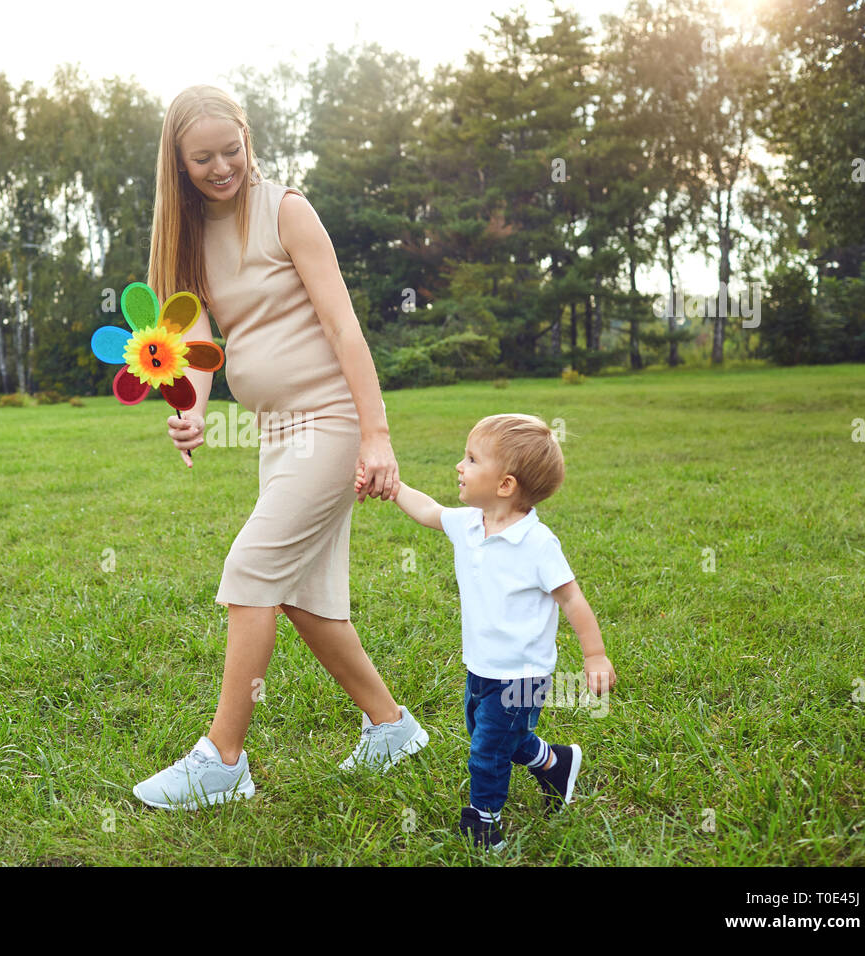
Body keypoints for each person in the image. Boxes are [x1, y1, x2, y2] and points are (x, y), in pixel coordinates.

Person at [131, 85, 429, 810]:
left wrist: (378, 433)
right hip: (276, 435)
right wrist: (192, 412)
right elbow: (198, 344)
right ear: (178, 162)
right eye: (202, 158)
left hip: (330, 423)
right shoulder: (190, 236)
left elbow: (342, 326)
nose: (222, 167)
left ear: (246, 135)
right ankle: (392, 729)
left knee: (252, 567)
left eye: (231, 150)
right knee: (302, 596)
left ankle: (222, 760)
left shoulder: (287, 210)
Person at [357, 413, 618, 850]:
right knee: (500, 737)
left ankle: (485, 826)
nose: (460, 466)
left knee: (487, 753)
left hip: (523, 674)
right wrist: (395, 487)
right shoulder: (469, 524)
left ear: (505, 485)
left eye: (472, 459)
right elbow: (428, 511)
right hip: (480, 665)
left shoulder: (537, 544)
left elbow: (572, 599)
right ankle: (556, 763)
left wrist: (594, 655)